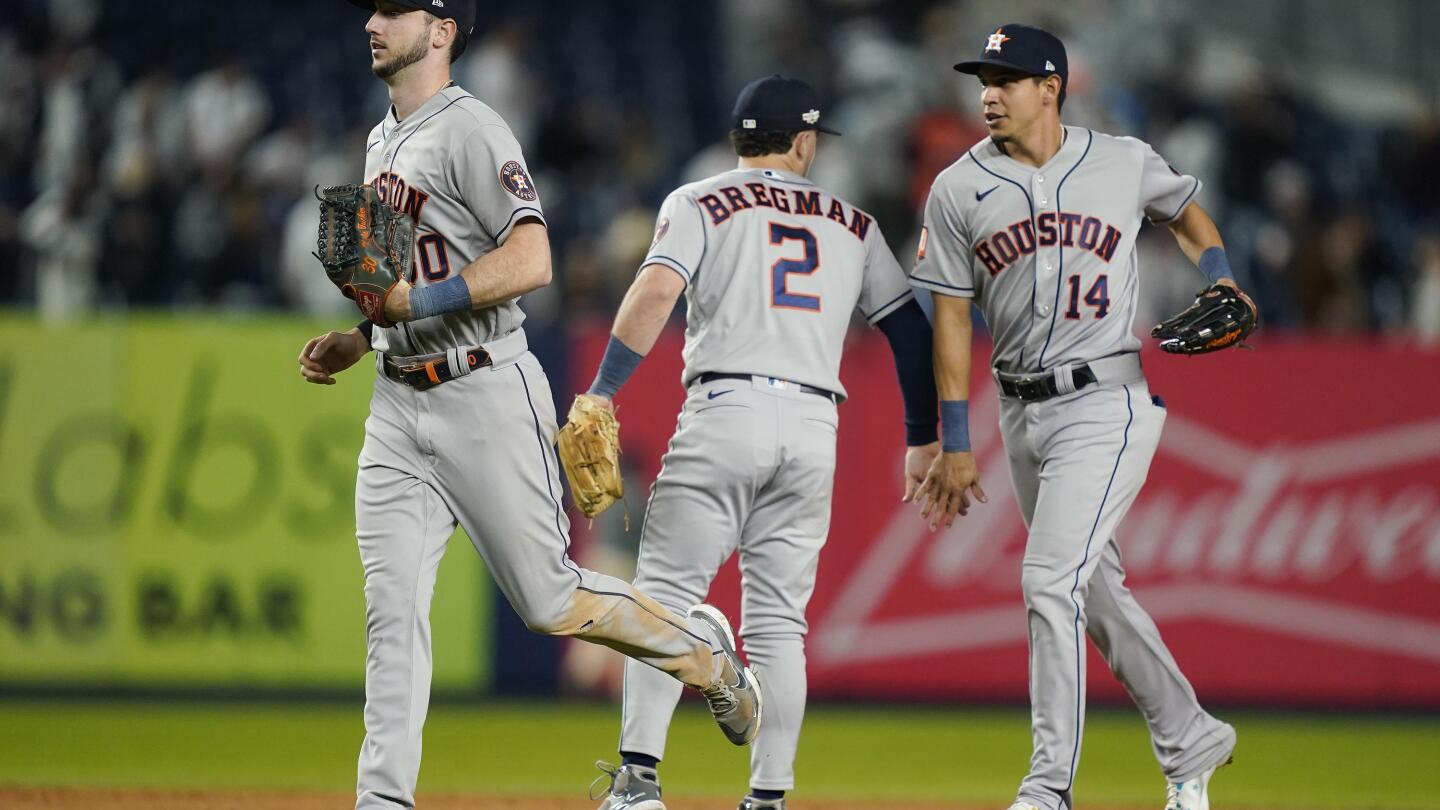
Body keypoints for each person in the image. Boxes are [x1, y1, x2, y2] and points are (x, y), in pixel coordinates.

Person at [296, 2, 759, 807]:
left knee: (551, 599)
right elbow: (397, 288)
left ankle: (706, 655)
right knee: (391, 614)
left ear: (440, 31)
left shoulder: (476, 130)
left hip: (483, 391)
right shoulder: (381, 139)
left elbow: (535, 256)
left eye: (393, 10)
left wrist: (416, 303)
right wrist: (364, 336)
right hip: (397, 405)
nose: (373, 21)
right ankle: (382, 800)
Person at [584, 75, 951, 810]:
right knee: (780, 623)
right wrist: (922, 436)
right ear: (805, 140)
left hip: (724, 408)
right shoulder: (853, 222)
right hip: (815, 425)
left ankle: (640, 782)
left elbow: (656, 295)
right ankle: (769, 797)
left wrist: (602, 389)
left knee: (662, 598)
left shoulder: (698, 199)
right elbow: (909, 331)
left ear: (738, 140)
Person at [910, 24, 1243, 810]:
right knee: (1092, 592)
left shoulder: (1122, 161)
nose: (988, 93)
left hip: (1108, 400)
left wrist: (1226, 276)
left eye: (1007, 79)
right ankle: (1192, 737)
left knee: (1047, 581)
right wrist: (955, 442)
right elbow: (952, 320)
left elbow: (1186, 209)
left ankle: (1047, 786)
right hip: (1021, 414)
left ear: (1051, 87)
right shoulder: (959, 187)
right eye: (983, 79)